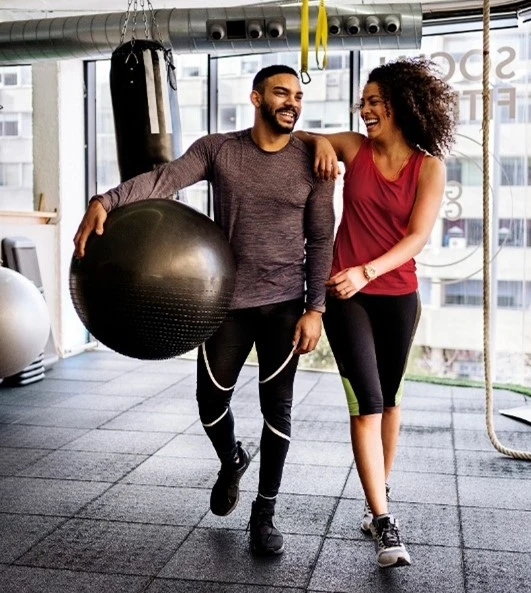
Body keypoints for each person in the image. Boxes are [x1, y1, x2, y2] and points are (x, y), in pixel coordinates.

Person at [73, 65, 335, 557]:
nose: (292, 103)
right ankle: (232, 457)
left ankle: (264, 513)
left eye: (299, 96)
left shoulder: (313, 161)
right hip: (227, 301)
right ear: (256, 98)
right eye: (281, 93)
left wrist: (315, 308)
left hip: (284, 304)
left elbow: (322, 239)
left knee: (277, 409)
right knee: (210, 403)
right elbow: (164, 179)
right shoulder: (220, 149)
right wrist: (104, 200)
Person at [296, 57, 458, 568]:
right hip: (347, 295)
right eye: (362, 103)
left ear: (401, 105)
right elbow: (299, 137)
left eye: (374, 102)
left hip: (398, 295)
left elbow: (417, 238)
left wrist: (370, 269)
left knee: (389, 401)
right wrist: (322, 143)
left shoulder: (429, 165)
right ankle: (385, 522)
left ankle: (376, 497)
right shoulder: (354, 148)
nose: (365, 110)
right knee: (365, 403)